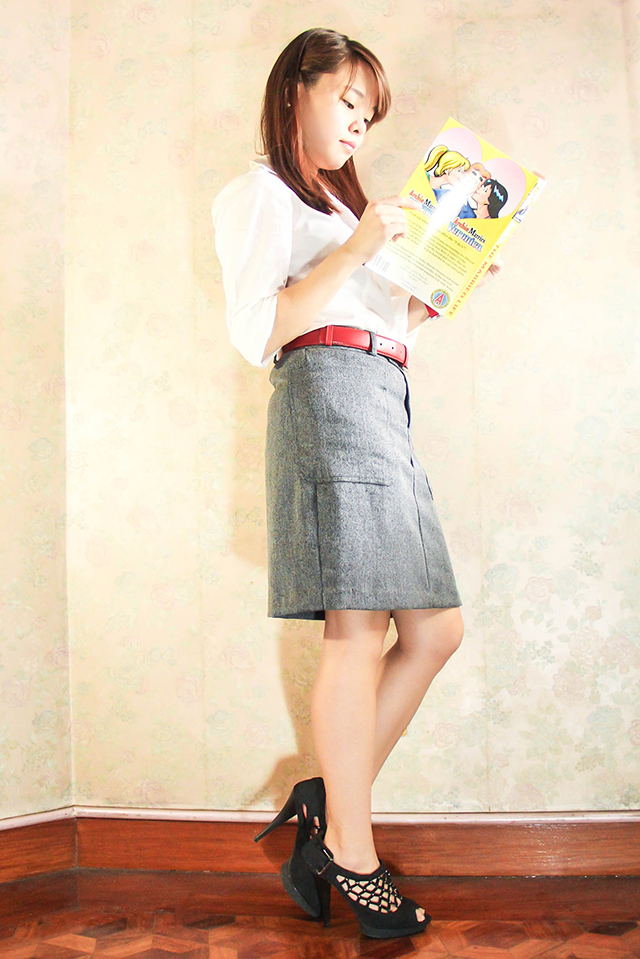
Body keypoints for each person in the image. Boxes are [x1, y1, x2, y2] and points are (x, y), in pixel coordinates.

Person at [212, 28, 500, 940]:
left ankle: (327, 804)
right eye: (347, 101)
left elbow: (378, 317)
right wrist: (358, 249)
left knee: (436, 629)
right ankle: (355, 853)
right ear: (294, 90)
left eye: (367, 114)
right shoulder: (260, 192)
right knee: (360, 627)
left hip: (382, 394)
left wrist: (435, 292)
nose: (357, 124)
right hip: (328, 395)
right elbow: (261, 328)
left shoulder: (346, 210)